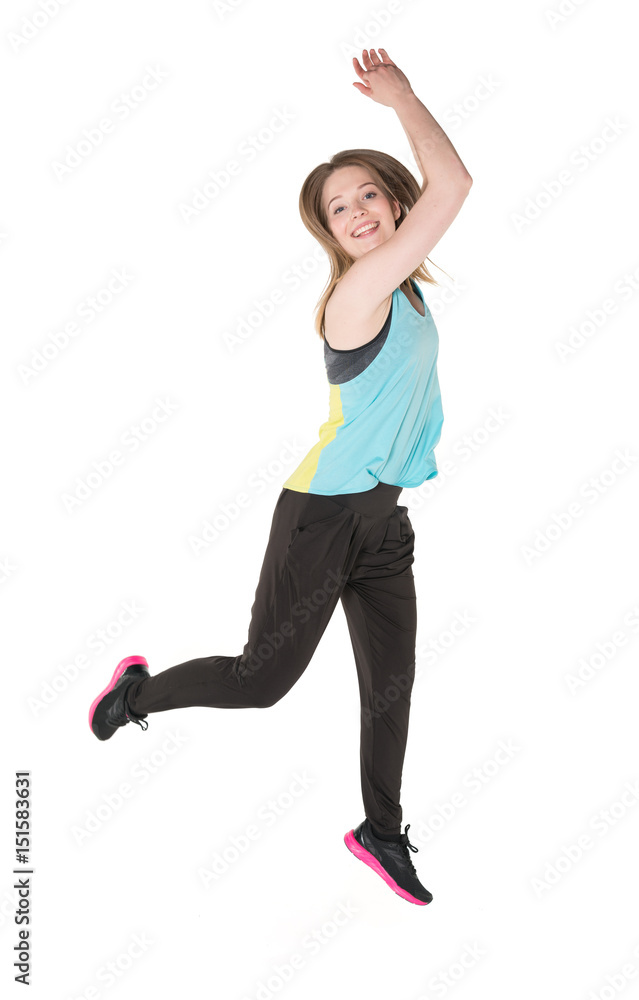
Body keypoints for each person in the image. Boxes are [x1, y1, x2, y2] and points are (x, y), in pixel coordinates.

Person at [88, 47, 472, 907]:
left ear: (391, 199)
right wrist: (402, 98)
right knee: (261, 681)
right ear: (332, 236)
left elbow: (436, 200)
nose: (358, 212)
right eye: (339, 209)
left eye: (369, 193)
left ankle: (380, 831)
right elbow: (452, 189)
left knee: (391, 690)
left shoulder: (406, 290)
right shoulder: (359, 296)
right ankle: (137, 691)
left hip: (382, 522)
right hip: (321, 516)